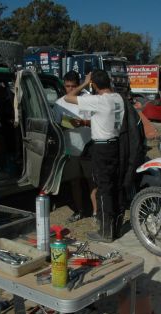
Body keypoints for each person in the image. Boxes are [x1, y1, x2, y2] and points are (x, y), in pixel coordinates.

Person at [65, 69, 125, 242]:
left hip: (101, 148)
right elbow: (103, 118)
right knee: (113, 186)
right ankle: (115, 226)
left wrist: (85, 83)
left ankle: (105, 232)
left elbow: (68, 98)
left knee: (103, 189)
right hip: (115, 144)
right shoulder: (118, 98)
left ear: (94, 85)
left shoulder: (98, 100)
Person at [55, 71, 97, 223]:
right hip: (71, 148)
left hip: (89, 148)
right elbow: (56, 126)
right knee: (75, 181)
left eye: (74, 86)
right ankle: (79, 211)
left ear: (79, 84)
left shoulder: (89, 99)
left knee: (92, 181)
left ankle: (96, 213)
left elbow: (100, 121)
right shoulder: (60, 103)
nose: (71, 89)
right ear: (63, 85)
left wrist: (84, 123)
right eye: (67, 86)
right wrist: (67, 125)